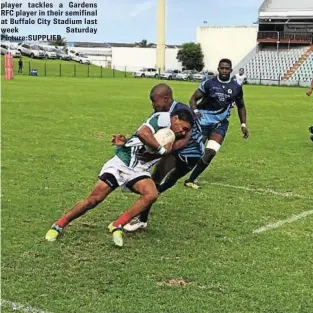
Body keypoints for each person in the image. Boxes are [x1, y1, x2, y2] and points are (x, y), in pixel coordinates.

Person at [45, 108, 194, 247]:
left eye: (186, 131)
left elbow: (154, 144)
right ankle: (58, 225)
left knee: (151, 194)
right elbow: (143, 133)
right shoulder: (162, 118)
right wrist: (160, 149)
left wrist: (128, 141)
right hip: (122, 163)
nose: (182, 132)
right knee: (93, 200)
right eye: (183, 128)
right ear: (175, 118)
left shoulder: (174, 136)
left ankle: (117, 225)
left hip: (139, 170)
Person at [120, 83, 204, 232]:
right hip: (174, 152)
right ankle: (142, 220)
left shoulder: (183, 111)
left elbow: (184, 141)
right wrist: (128, 142)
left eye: (154, 100)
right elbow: (147, 132)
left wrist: (158, 152)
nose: (153, 104)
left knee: (163, 182)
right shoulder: (161, 115)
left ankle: (144, 209)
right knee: (155, 182)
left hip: (191, 154)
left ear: (166, 99)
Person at [184, 58, 248, 190]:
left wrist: (243, 124)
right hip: (203, 122)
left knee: (211, 152)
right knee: (196, 152)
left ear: (231, 70)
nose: (224, 71)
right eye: (222, 68)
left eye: (227, 68)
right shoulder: (209, 84)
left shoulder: (236, 87)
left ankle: (191, 179)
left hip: (220, 123)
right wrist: (195, 111)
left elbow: (241, 106)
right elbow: (193, 99)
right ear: (218, 69)